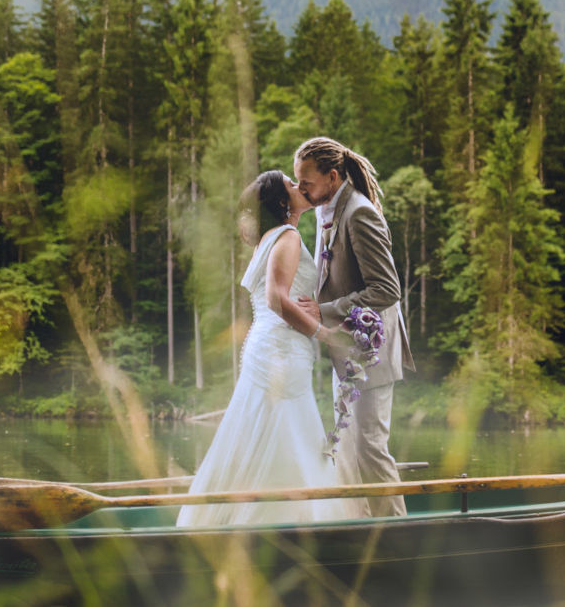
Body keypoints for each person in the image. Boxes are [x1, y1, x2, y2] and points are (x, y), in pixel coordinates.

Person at [176, 170, 354, 527]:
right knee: (290, 430)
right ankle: (288, 521)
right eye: (291, 183)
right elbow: (276, 299)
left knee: (264, 428)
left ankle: (252, 516)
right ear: (280, 201)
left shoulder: (268, 238)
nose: (298, 186)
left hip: (270, 344)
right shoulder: (286, 236)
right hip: (281, 349)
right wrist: (324, 333)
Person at [294, 137, 415, 517]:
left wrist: (323, 311)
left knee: (369, 448)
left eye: (306, 183)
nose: (301, 190)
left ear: (332, 177)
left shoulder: (360, 213)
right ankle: (359, 532)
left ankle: (397, 534)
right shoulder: (324, 209)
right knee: (346, 449)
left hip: (371, 351)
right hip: (343, 349)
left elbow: (387, 289)